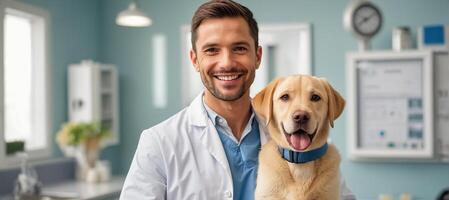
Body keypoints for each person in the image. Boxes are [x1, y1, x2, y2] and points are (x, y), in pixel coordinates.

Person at [120, 0, 355, 199]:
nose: (226, 62)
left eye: (239, 48)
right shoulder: (158, 143)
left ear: (258, 56)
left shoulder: (301, 141)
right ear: (194, 60)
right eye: (212, 50)